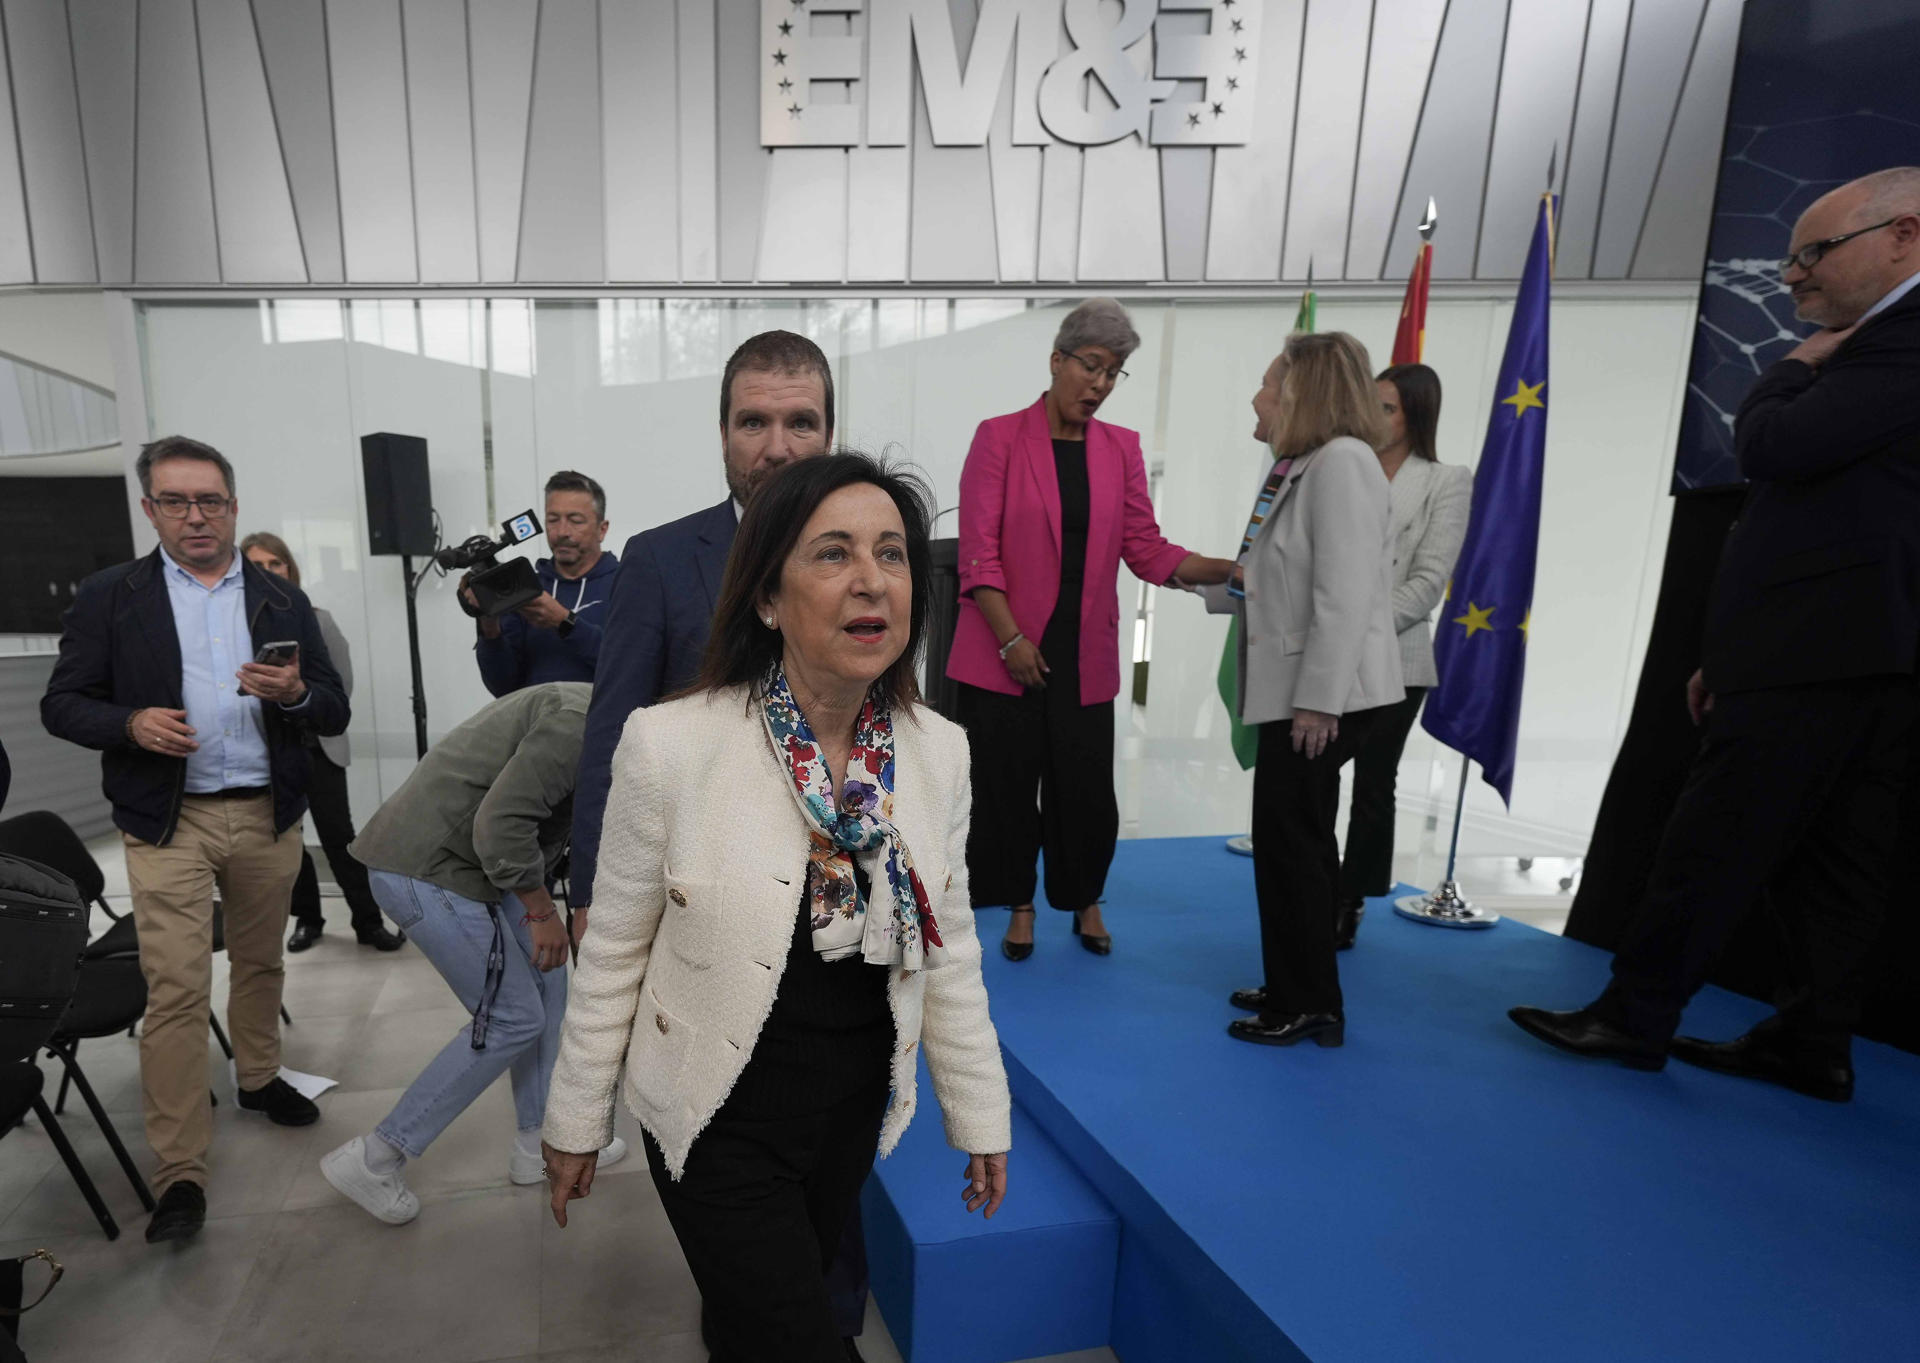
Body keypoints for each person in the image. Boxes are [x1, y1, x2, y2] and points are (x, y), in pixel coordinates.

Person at [541, 454, 1012, 1363]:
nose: (872, 579)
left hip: (847, 1109)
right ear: (766, 597)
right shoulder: (672, 744)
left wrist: (978, 1115)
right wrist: (574, 1121)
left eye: (892, 554)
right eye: (832, 554)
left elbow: (947, 946)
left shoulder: (938, 752)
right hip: (713, 1117)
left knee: (758, 1324)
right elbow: (613, 955)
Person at [1510, 167, 1920, 1099]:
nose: (1793, 275)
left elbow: (1775, 447)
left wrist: (1787, 367)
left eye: (1815, 252)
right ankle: (1812, 1040)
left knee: (1713, 841)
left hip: (1816, 652)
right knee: (1837, 866)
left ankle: (1633, 1014)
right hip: (1856, 651)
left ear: (1903, 235)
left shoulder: (1893, 341)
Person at [41, 435, 350, 1243]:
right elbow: (63, 703)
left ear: (234, 506)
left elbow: (333, 706)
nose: (195, 516)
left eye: (210, 500)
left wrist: (292, 695)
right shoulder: (111, 596)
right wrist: (130, 722)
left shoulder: (281, 599)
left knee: (261, 961)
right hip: (165, 822)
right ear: (150, 509)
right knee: (175, 988)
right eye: (175, 501)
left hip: (263, 812)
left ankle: (256, 1076)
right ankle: (179, 1169)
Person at [949, 298, 1235, 961]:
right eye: (1093, 367)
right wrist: (1011, 640)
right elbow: (978, 556)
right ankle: (1019, 902)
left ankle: (1084, 897)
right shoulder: (999, 437)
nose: (1101, 385)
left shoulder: (1121, 449)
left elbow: (1148, 549)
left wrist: (1223, 566)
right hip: (1005, 651)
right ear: (1058, 361)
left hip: (1084, 651)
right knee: (1009, 787)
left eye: (1115, 373)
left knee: (1084, 792)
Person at [318, 682, 627, 1223]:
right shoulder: (580, 725)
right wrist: (541, 910)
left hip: (475, 862)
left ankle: (538, 1140)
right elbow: (500, 824)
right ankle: (376, 1156)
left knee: (548, 982)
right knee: (512, 1017)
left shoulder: (605, 713)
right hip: (426, 864)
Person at [1199, 333, 1404, 1047]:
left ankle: (1308, 1001)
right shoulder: (1308, 465)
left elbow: (1344, 596)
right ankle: (1299, 986)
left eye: (1266, 384)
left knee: (1293, 846)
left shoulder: (1343, 464)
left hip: (1323, 697)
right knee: (1298, 845)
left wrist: (1318, 699)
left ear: (1301, 390)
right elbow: (1272, 579)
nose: (1257, 397)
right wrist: (1183, 575)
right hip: (1307, 691)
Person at [1334, 365, 1472, 948]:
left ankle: (1350, 899)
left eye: (1387, 408)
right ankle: (1313, 884)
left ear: (1415, 415)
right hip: (1330, 651)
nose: (1374, 417)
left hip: (1397, 656)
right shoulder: (1342, 469)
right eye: (1372, 405)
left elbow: (1428, 581)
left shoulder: (1446, 480)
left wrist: (1355, 632)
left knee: (1373, 783)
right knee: (1314, 776)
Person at [238, 532, 404, 953]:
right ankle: (308, 920)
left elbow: (339, 686)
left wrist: (298, 693)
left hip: (320, 746)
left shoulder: (317, 618)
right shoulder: (239, 627)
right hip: (269, 752)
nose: (268, 573)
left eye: (275, 564)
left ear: (289, 568)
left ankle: (368, 923)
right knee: (289, 840)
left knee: (339, 838)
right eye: (257, 566)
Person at [471, 470, 619, 695]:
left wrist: (565, 622)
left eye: (575, 521)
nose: (561, 532)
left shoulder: (626, 585)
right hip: (533, 720)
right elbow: (502, 687)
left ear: (602, 529)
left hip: (601, 720)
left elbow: (628, 666)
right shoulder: (524, 587)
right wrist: (489, 626)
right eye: (552, 520)